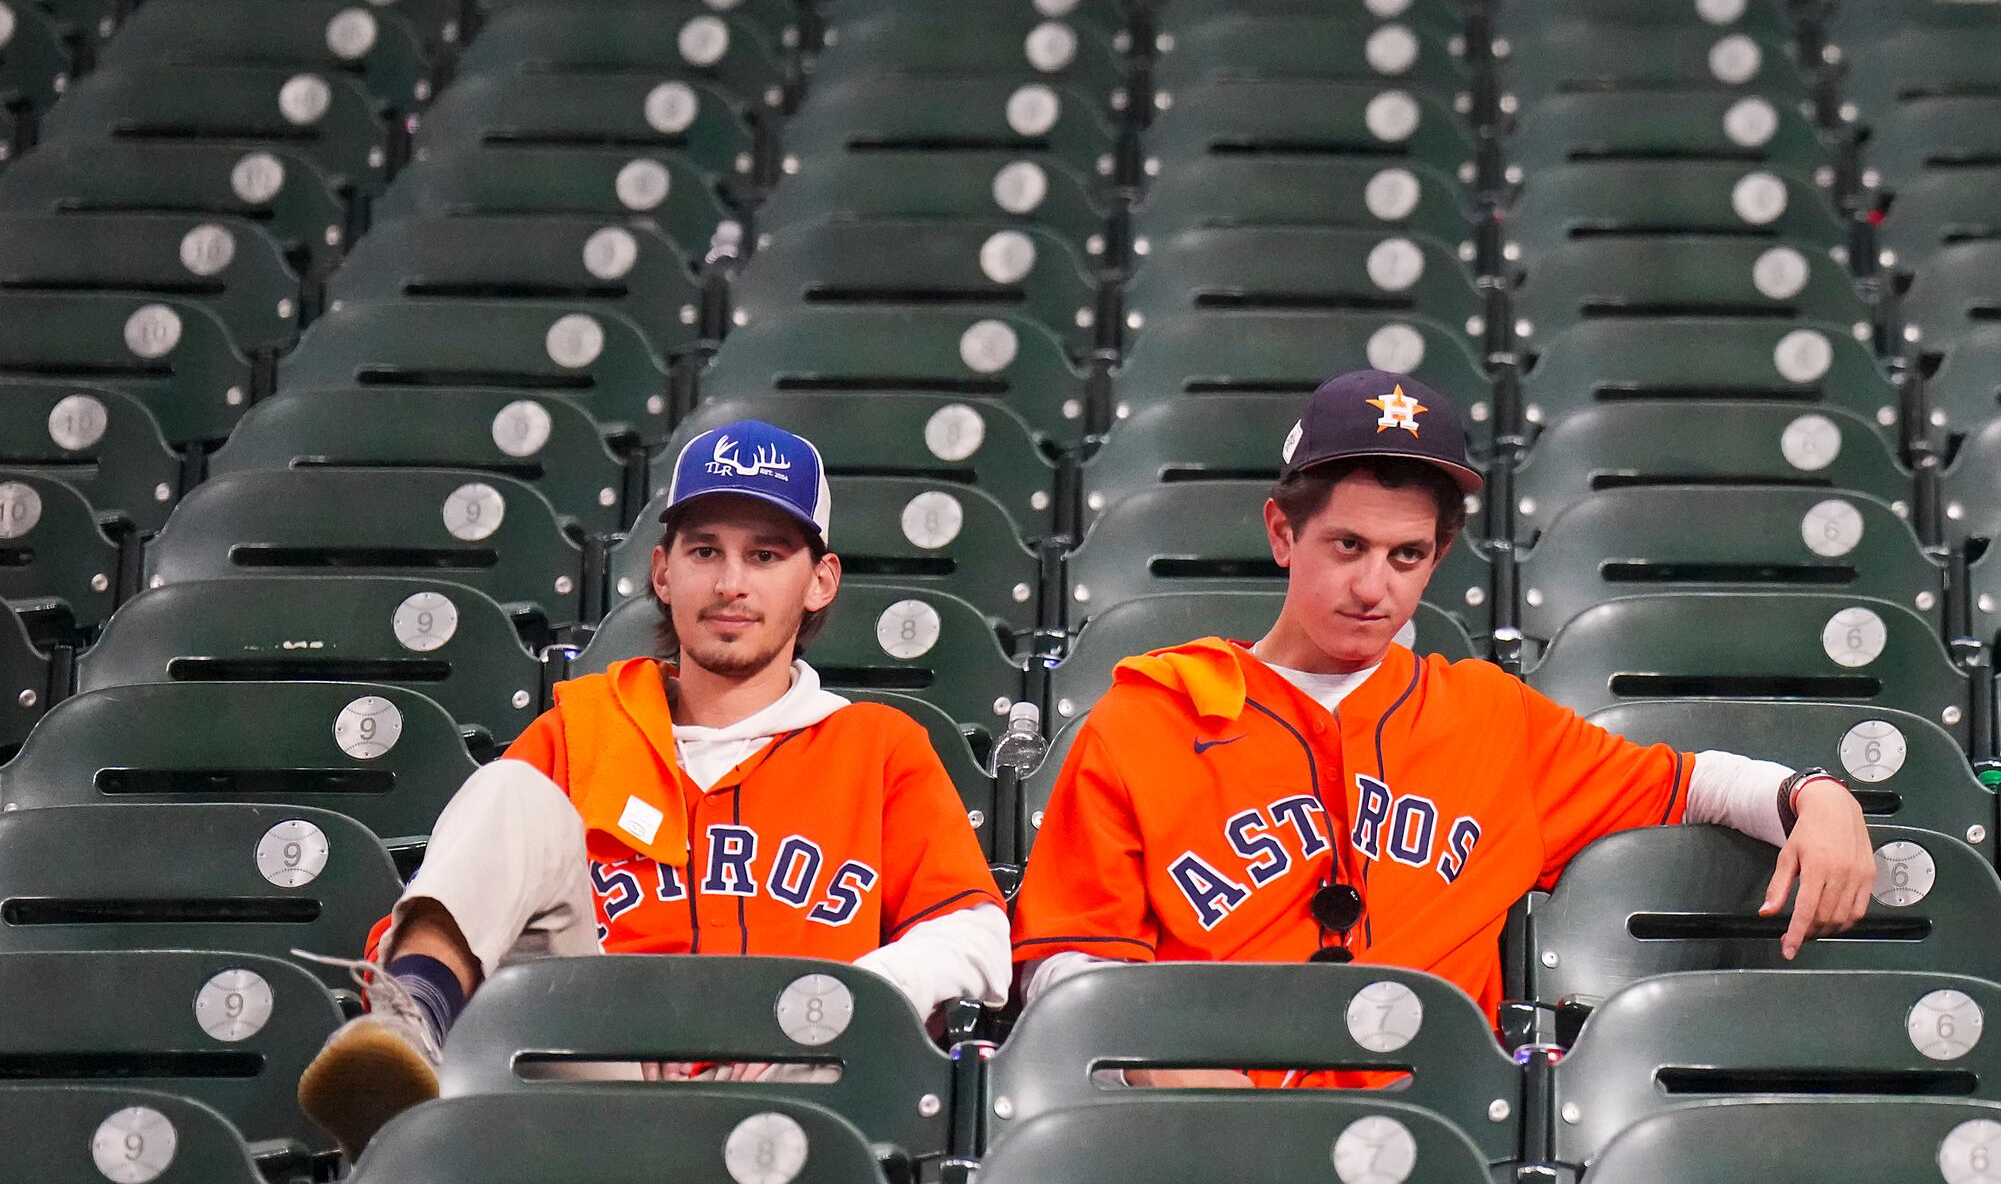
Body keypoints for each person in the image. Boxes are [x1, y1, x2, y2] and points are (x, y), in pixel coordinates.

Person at [1010, 370, 1877, 1063]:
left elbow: (1694, 787)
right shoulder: (1147, 719)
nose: (1371, 586)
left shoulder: (1489, 716)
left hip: (1437, 1126)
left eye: (1405, 555)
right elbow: (1064, 964)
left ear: (1438, 558)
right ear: (1282, 533)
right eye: (1346, 544)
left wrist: (1818, 797)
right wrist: (1188, 1081)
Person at [294, 420, 1011, 1157]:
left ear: (820, 580)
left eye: (764, 555)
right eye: (706, 552)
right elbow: (452, 904)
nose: (731, 582)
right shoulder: (582, 732)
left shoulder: (876, 745)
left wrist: (822, 1001)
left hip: (794, 1087)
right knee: (509, 790)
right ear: (664, 572)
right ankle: (412, 1037)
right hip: (597, 1082)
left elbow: (977, 936)